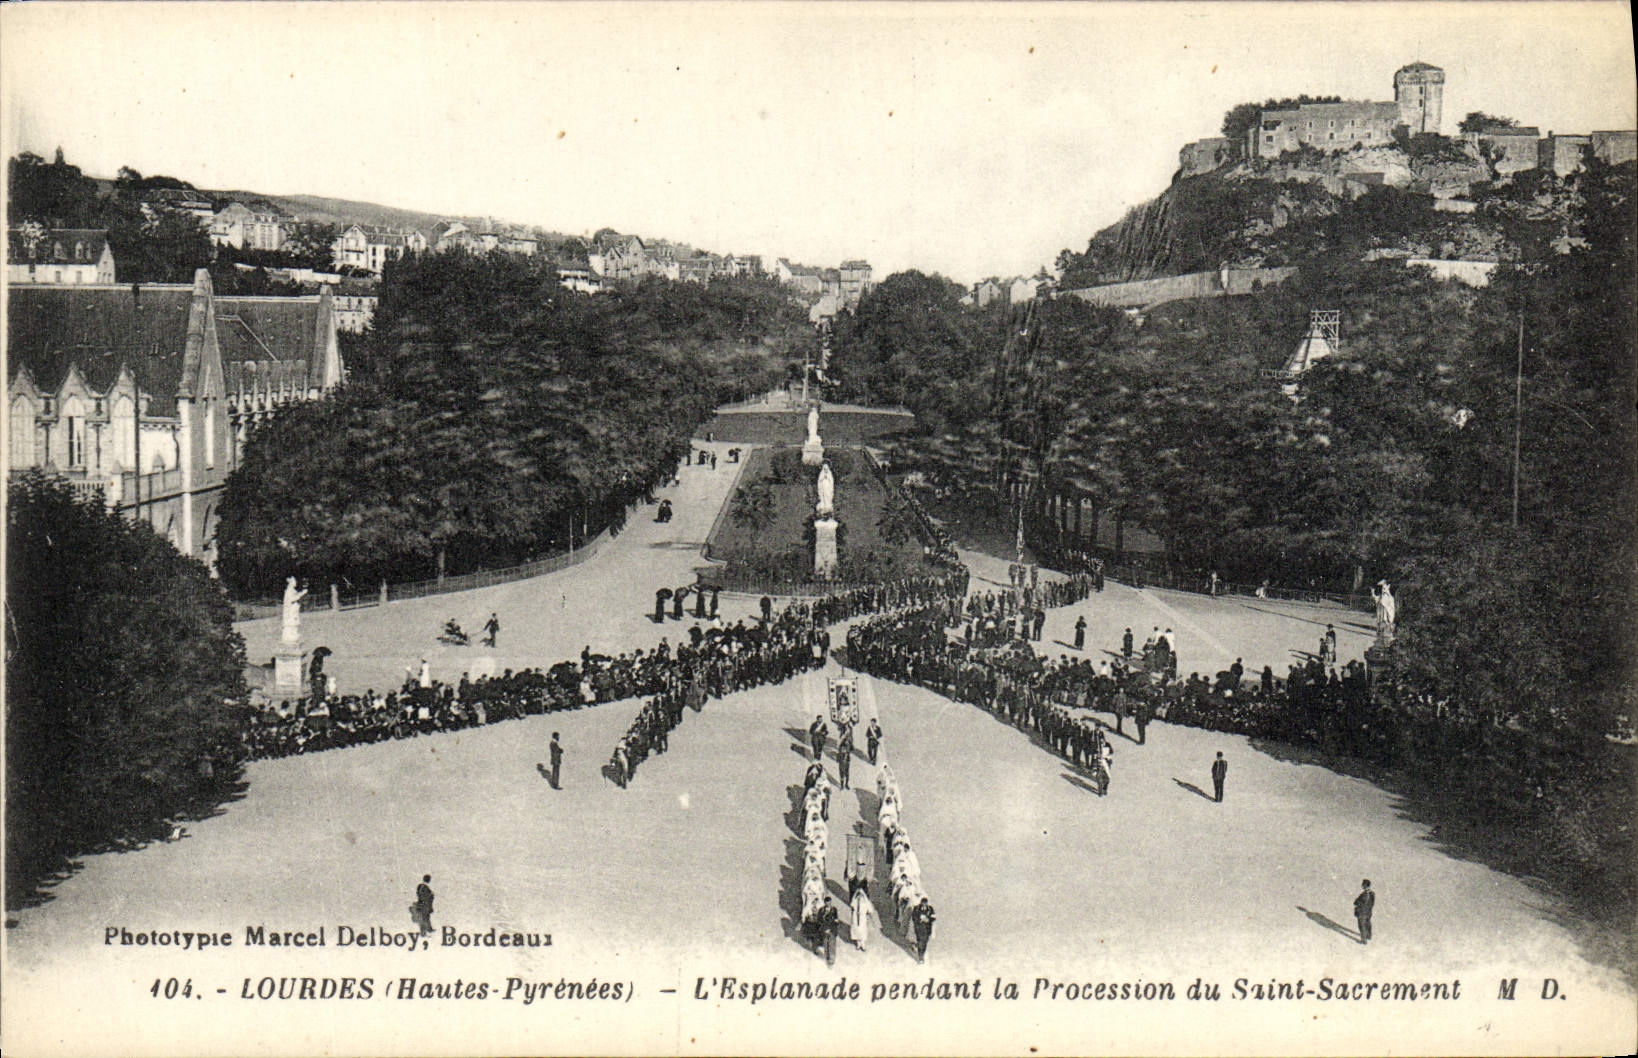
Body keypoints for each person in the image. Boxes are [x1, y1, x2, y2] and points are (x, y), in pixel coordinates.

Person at [851, 883, 876, 952]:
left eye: (861, 896)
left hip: (862, 918)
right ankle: (858, 943)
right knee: (856, 929)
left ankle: (863, 944)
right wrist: (856, 893)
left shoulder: (866, 902)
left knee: (862, 930)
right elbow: (852, 904)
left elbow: (870, 909)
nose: (860, 897)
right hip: (856, 917)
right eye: (859, 896)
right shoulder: (855, 901)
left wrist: (864, 895)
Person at [911, 897, 936, 963]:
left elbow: (934, 917)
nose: (924, 905)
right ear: (921, 903)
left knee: (925, 942)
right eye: (923, 903)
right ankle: (920, 957)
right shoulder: (916, 908)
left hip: (927, 929)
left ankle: (922, 952)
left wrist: (928, 919)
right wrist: (920, 919)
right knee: (920, 941)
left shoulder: (930, 909)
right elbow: (913, 917)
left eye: (925, 904)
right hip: (919, 928)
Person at [818, 897, 841, 966]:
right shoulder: (821, 910)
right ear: (825, 903)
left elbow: (836, 919)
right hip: (825, 929)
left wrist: (836, 922)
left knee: (832, 943)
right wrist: (824, 928)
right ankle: (827, 956)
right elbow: (819, 920)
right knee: (825, 943)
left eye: (830, 902)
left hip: (832, 929)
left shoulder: (834, 910)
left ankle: (832, 958)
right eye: (827, 902)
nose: (829, 904)